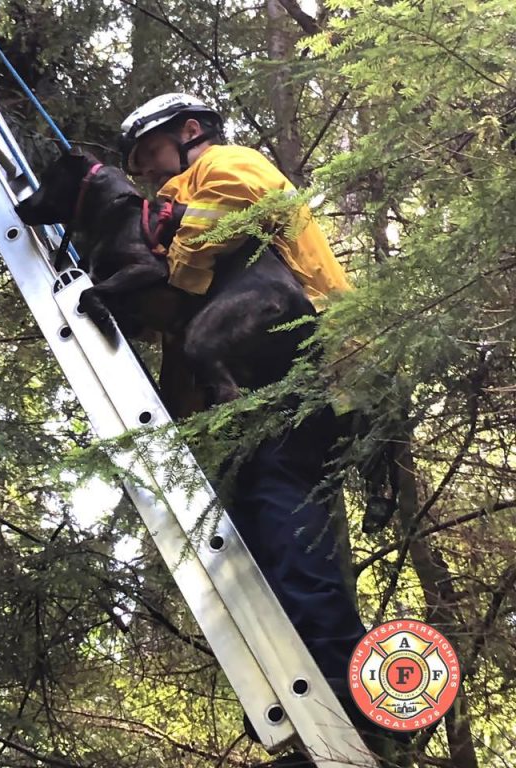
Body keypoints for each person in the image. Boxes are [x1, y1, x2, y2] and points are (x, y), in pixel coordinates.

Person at [118, 94, 400, 765]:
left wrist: (175, 251)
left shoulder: (226, 163)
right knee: (265, 536)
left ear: (189, 133)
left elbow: (235, 220)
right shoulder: (190, 187)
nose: (150, 176)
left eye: (151, 156)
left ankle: (343, 703)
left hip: (302, 367)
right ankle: (309, 704)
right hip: (271, 375)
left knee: (288, 524)